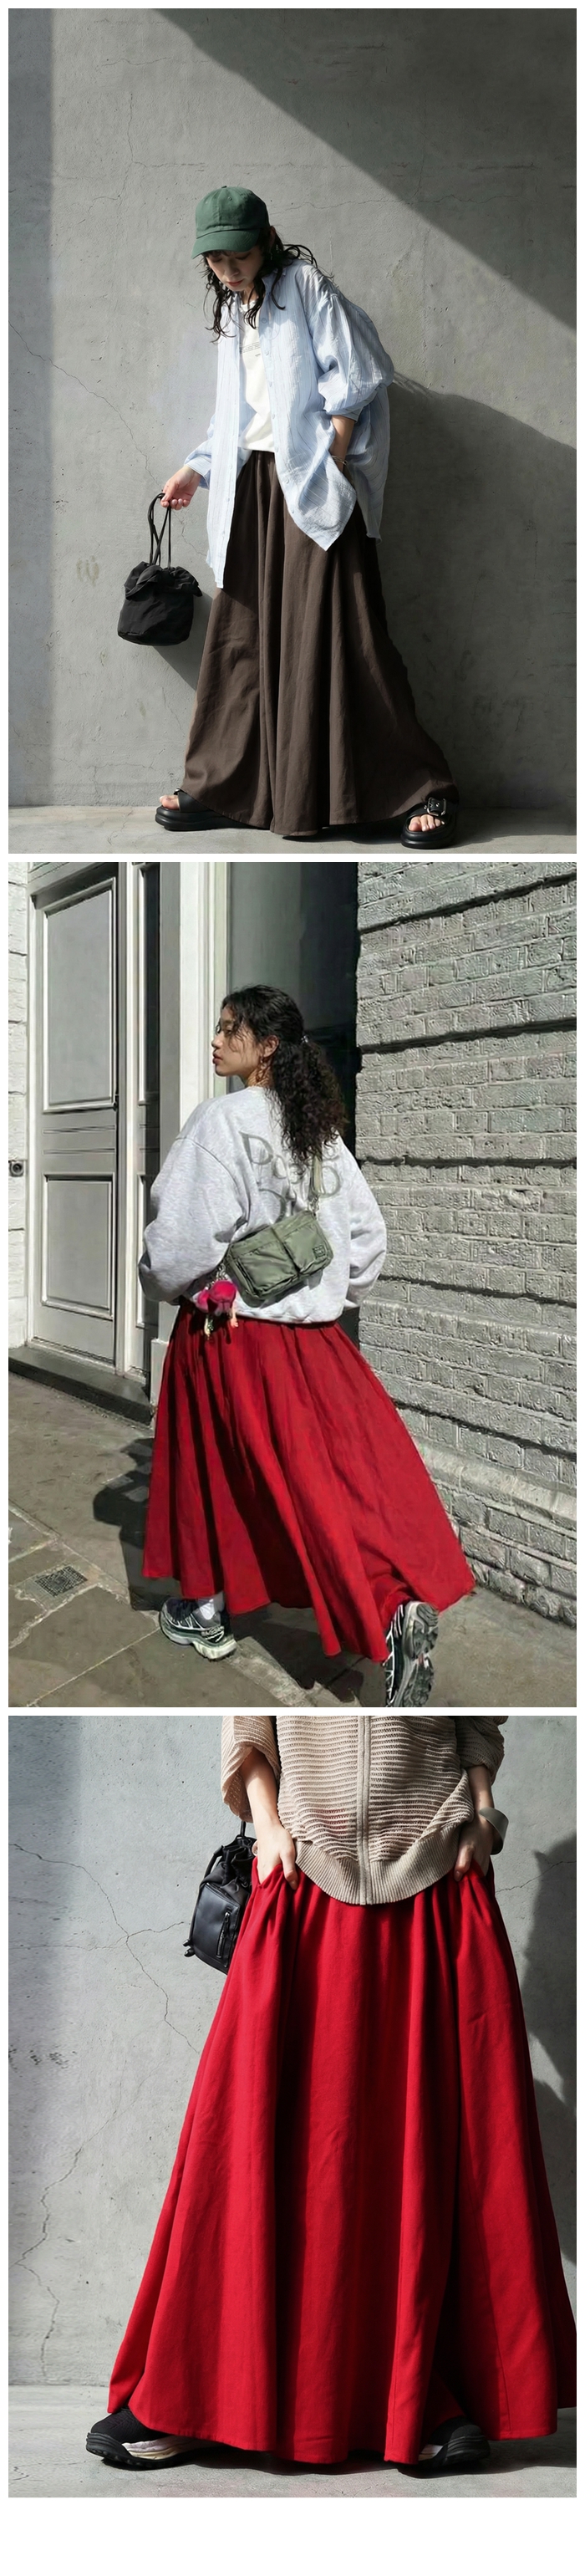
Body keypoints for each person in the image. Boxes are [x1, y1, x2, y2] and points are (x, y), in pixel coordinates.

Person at [87, 1709, 576, 2474]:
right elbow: (250, 1717)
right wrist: (267, 1826)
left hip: (438, 1882)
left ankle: (416, 2400)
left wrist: (484, 1816)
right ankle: (201, 2395)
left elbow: (476, 1721)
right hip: (302, 1874)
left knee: (418, 2156)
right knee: (249, 2145)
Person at [138, 983, 475, 1704]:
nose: (215, 1040)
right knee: (331, 1483)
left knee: (216, 1474)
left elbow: (179, 1244)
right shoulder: (317, 1132)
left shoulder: (222, 1121)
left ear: (267, 1047)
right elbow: (368, 1239)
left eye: (230, 1029)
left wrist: (172, 1284)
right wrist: (325, 1296)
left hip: (231, 1335)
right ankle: (390, 1603)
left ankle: (207, 1609)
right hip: (318, 1344)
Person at [155, 185, 459, 845]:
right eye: (216, 260)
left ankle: (420, 788)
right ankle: (225, 786)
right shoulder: (236, 311)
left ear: (266, 241)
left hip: (312, 483)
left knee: (347, 638)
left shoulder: (306, 287)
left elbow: (358, 374)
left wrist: (334, 462)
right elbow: (237, 415)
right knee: (244, 637)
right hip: (255, 489)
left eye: (238, 256)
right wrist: (195, 469)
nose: (229, 270)